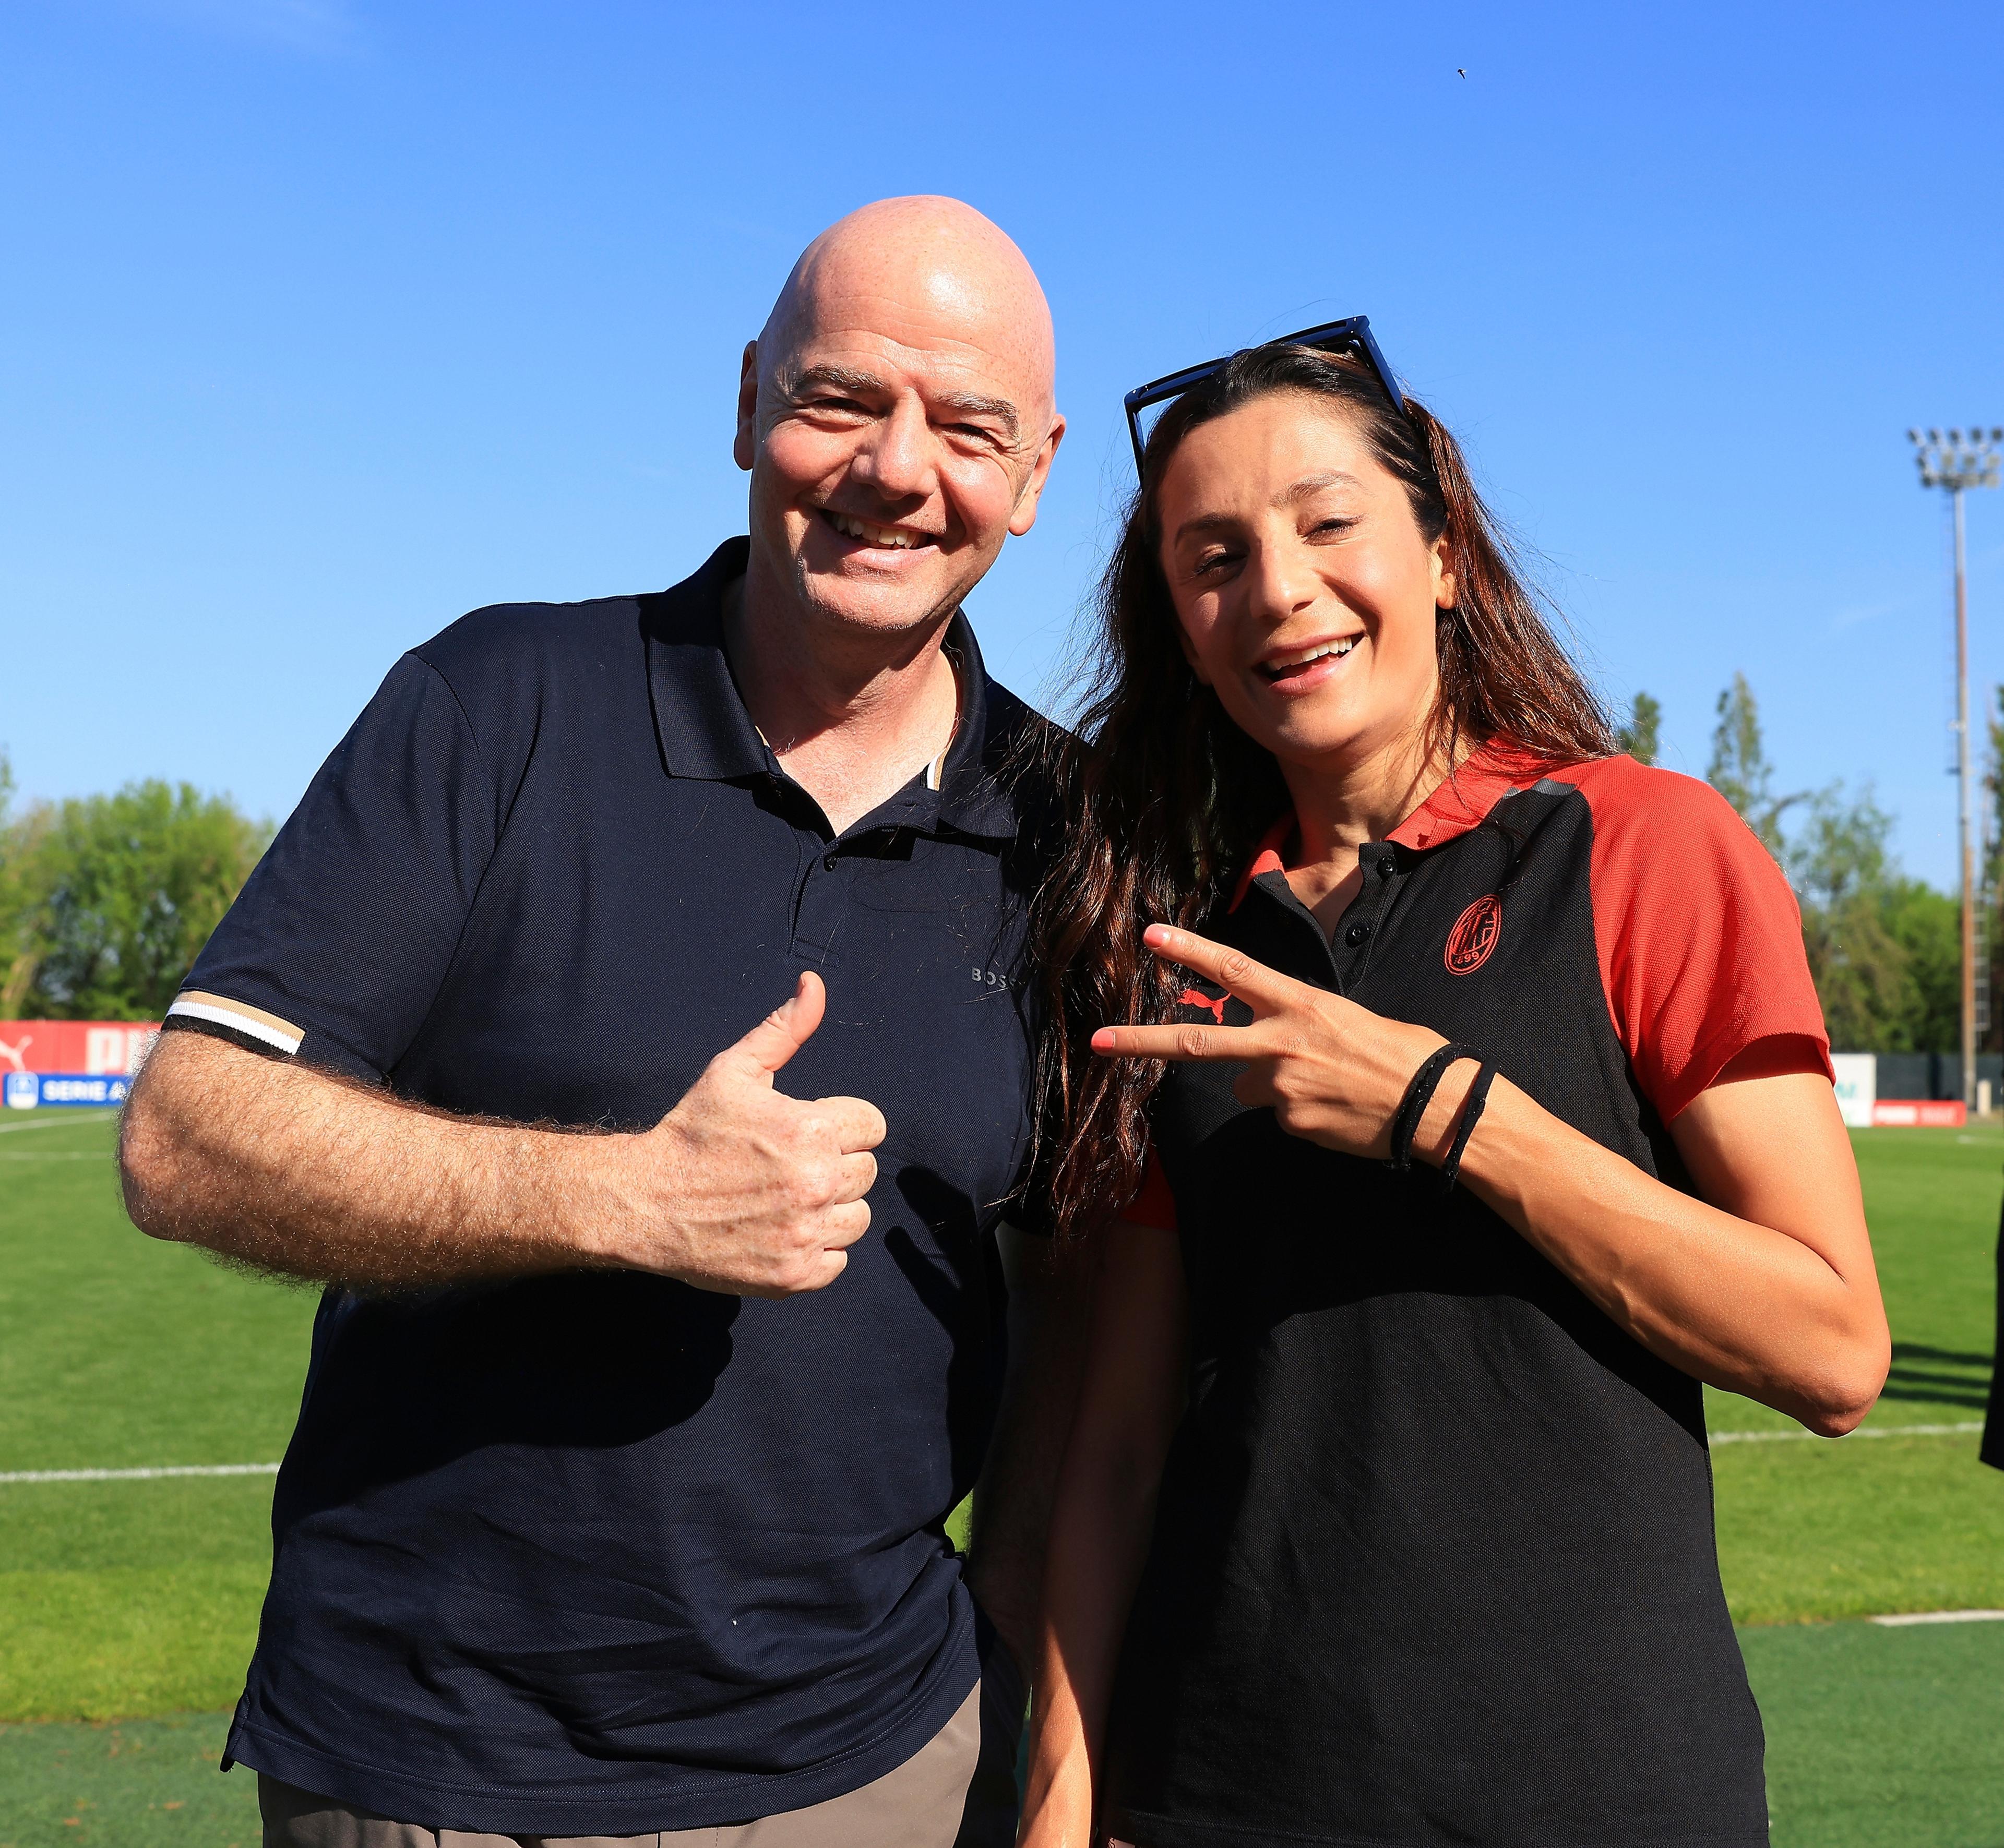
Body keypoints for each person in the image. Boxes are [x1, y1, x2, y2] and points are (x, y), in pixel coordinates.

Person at [118, 195, 1080, 1848]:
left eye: (968, 428)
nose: (897, 470)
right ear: (747, 403)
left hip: (874, 1772)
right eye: (841, 398)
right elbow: (187, 1134)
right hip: (430, 1769)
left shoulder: (1079, 833)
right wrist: (623, 1198)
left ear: (1037, 472)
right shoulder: (499, 702)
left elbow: (1086, 1339)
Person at [1016, 335, 1892, 1848]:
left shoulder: (1639, 845)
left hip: (1600, 1798)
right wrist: (1058, 1806)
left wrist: (1448, 1113)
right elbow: (1119, 1450)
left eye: (1327, 522)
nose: (1278, 588)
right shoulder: (1180, 946)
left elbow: (1833, 1353)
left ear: (1443, 554)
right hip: (1219, 1797)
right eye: (1214, 559)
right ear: (1182, 630)